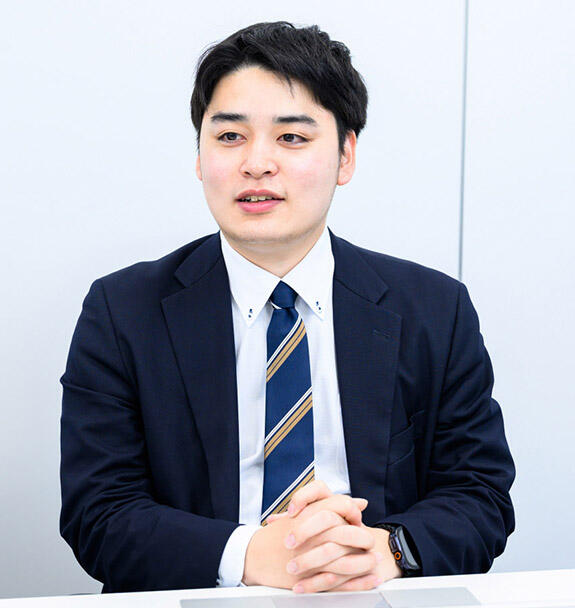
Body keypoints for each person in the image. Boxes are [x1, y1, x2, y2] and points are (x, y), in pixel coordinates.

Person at [59, 21, 515, 595]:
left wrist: (386, 550)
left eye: (292, 137)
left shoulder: (434, 309)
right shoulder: (123, 311)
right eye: (230, 136)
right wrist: (251, 554)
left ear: (346, 156)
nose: (257, 163)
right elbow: (98, 513)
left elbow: (480, 494)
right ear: (199, 155)